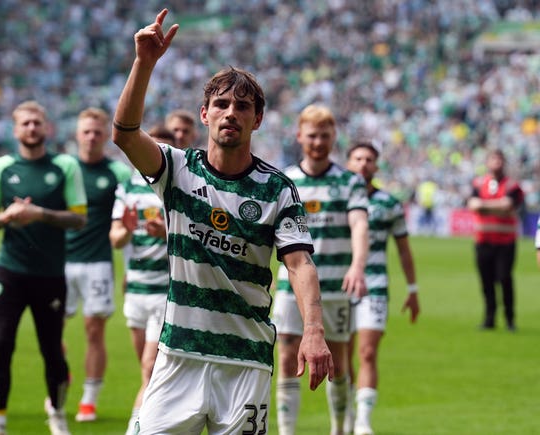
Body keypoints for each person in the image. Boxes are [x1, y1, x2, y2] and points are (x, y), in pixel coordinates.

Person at [111, 9, 333, 434]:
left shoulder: (278, 189)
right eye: (222, 104)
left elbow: (300, 264)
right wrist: (144, 63)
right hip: (179, 356)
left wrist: (313, 331)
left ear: (258, 119)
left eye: (243, 106)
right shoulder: (177, 168)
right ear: (205, 114)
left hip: (245, 362)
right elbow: (124, 134)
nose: (232, 112)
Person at [0, 100, 87, 435]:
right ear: (15, 130)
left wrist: (39, 214)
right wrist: (6, 217)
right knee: (1, 344)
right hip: (9, 270)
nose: (31, 128)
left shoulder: (65, 165)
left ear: (47, 128)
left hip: (50, 273)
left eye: (37, 123)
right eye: (25, 123)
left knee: (52, 349)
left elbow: (79, 217)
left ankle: (57, 414)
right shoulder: (1, 168)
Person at [272, 104, 369, 435]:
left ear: (334, 138)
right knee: (285, 356)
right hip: (291, 287)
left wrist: (357, 265)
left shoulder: (349, 182)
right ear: (300, 136)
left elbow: (359, 224)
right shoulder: (286, 181)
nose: (318, 142)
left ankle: (339, 429)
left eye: (325, 136)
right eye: (312, 136)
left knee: (338, 361)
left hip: (335, 286)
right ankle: (287, 431)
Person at [344, 140, 420, 435]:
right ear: (349, 163)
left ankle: (363, 421)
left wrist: (412, 289)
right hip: (340, 285)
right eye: (357, 158)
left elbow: (403, 250)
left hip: (374, 285)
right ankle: (347, 411)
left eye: (369, 159)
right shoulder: (338, 198)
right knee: (343, 355)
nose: (363, 164)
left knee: (366, 352)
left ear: (376, 166)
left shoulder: (388, 204)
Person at [62, 107, 131, 422]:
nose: (91, 137)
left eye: (97, 132)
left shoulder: (118, 174)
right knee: (51, 330)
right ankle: (59, 378)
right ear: (77, 134)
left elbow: (129, 222)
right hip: (59, 262)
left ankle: (88, 400)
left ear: (106, 136)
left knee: (94, 331)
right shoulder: (64, 168)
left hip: (97, 263)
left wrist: (129, 270)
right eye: (86, 131)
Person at [109, 124, 175, 435]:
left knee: (151, 368)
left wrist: (166, 231)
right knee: (146, 372)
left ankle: (135, 429)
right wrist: (126, 228)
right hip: (135, 290)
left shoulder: (178, 187)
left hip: (166, 291)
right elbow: (116, 239)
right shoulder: (129, 189)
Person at [467, 149, 524, 331]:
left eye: (499, 159)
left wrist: (484, 206)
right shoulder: (479, 183)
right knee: (486, 280)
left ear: (504, 162)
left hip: (505, 242)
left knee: (505, 278)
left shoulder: (512, 186)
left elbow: (508, 205)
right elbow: (472, 205)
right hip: (483, 240)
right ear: (487, 162)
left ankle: (509, 318)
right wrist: (497, 206)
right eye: (493, 159)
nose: (496, 162)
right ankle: (489, 318)